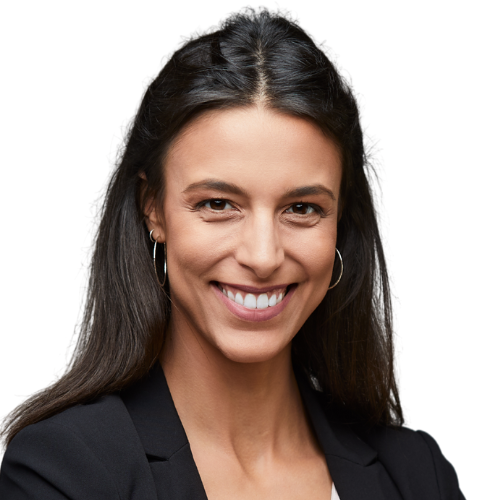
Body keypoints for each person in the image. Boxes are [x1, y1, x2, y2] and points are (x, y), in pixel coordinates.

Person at [0, 9, 465, 500]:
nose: (263, 257)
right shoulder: (64, 473)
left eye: (302, 208)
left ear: (339, 221)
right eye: (218, 204)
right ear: (153, 208)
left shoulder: (417, 475)